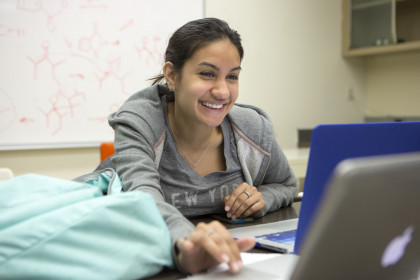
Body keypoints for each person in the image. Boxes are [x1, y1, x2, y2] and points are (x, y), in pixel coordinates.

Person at [108, 17, 297, 274]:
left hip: (234, 257)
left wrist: (261, 199)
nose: (222, 91)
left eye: (232, 76)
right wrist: (193, 242)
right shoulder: (139, 122)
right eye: (207, 74)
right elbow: (143, 198)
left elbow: (286, 184)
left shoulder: (253, 127)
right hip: (154, 256)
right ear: (172, 76)